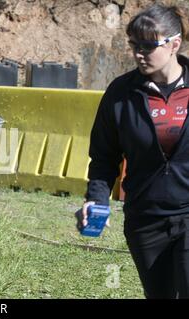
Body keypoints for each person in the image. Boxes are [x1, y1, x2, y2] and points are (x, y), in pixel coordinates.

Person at [78, 4, 189, 299]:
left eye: (148, 46)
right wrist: (96, 199)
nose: (139, 53)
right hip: (145, 218)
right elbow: (103, 156)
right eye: (134, 45)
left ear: (174, 44)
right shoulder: (120, 93)